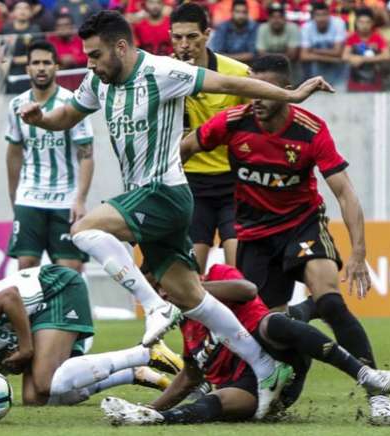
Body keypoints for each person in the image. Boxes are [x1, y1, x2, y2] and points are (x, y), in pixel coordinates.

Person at [19, 10, 333, 419]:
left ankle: (153, 306)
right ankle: (264, 366)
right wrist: (41, 118)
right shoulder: (99, 79)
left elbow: (230, 81)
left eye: (95, 55)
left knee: (83, 230)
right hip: (142, 196)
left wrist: (289, 96)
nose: (90, 64)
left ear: (121, 47)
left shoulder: (164, 71)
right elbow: (66, 116)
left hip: (165, 192)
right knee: (194, 298)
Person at [180, 54, 390, 421]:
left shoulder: (310, 130)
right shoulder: (233, 123)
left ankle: (376, 391)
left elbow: (345, 193)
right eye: (253, 91)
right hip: (254, 234)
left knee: (330, 301)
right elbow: (183, 150)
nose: (257, 99)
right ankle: (270, 369)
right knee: (267, 328)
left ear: (287, 92)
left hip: (302, 225)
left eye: (266, 91)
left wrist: (359, 253)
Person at [100, 264, 390, 426]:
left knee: (274, 323)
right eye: (153, 289)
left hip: (281, 358)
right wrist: (151, 407)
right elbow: (189, 377)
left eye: (161, 284)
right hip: (256, 388)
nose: (160, 293)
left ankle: (366, 375)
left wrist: (194, 291)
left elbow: (247, 290)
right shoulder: (187, 326)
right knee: (223, 399)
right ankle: (155, 420)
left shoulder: (216, 276)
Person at [0, 265, 181, 405]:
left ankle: (145, 352)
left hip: (54, 289)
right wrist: (23, 357)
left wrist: (25, 349)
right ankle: (134, 373)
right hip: (38, 320)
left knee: (47, 382)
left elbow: (9, 297)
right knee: (35, 399)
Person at [170, 3, 249, 271]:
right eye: (177, 37)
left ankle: (247, 314)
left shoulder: (237, 74)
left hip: (234, 183)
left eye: (191, 37)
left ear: (207, 34)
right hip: (189, 184)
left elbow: (257, 125)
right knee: (190, 272)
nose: (184, 45)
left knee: (239, 269)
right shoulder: (161, 75)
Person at [6, 41, 94, 272]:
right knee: (26, 266)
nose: (41, 68)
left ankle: (68, 310)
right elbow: (14, 153)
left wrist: (81, 199)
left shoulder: (73, 103)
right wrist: (14, 196)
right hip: (29, 197)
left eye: (47, 62)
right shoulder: (16, 105)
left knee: (70, 268)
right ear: (28, 69)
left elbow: (86, 154)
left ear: (56, 67)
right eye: (36, 63)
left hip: (65, 198)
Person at [300, 2, 347, 88]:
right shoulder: (306, 27)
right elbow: (304, 56)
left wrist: (313, 51)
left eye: (324, 14)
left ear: (329, 15)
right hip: (316, 69)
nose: (322, 18)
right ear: (313, 16)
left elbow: (338, 52)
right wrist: (330, 58)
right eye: (318, 15)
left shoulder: (339, 23)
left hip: (337, 69)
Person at [342, 8, 390, 92]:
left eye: (367, 22)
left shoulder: (378, 38)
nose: (364, 25)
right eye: (361, 22)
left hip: (374, 79)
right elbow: (344, 56)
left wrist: (363, 59)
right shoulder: (351, 38)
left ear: (372, 23)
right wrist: (352, 58)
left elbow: (387, 56)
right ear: (356, 23)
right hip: (355, 80)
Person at [208, 0, 259, 64]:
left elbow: (252, 55)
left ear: (247, 13)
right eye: (237, 12)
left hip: (247, 65)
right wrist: (241, 57)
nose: (241, 15)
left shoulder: (253, 27)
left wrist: (227, 56)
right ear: (231, 12)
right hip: (225, 64)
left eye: (244, 12)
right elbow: (217, 53)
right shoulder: (222, 27)